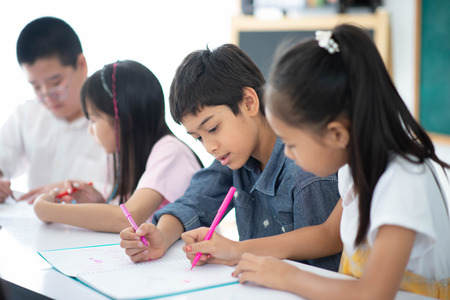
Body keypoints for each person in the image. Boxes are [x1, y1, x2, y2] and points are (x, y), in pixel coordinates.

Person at [232, 24, 450, 299]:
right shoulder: (354, 162)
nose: (287, 153)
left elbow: (374, 294)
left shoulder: (402, 180)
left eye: (292, 143)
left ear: (336, 134)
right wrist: (237, 250)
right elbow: (328, 234)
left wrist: (288, 276)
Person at [119, 44, 342, 271]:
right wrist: (162, 236)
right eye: (198, 138)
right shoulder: (236, 156)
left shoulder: (307, 170)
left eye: (213, 128)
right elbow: (196, 200)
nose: (209, 147)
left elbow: (325, 263)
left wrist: (235, 251)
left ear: (248, 102)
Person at [33, 60, 202, 232]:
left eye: (93, 119)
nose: (90, 130)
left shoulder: (171, 151)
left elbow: (127, 219)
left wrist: (46, 210)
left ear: (123, 120)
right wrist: (100, 202)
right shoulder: (134, 156)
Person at [0, 17, 107, 203]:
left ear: (81, 65)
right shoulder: (27, 114)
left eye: (56, 83)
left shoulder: (113, 119)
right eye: (36, 87)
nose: (47, 95)